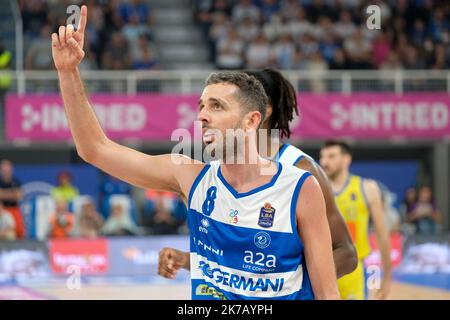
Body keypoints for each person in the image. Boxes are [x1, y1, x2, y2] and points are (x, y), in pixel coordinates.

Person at [51, 6, 339, 299]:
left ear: (252, 120)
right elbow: (95, 150)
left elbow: (328, 293)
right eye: (201, 106)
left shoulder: (300, 187)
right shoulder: (191, 177)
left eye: (217, 106)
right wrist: (68, 72)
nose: (202, 115)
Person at [160, 69, 357, 280]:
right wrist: (186, 259)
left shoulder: (301, 169)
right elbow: (237, 262)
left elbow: (346, 252)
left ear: (263, 111)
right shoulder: (225, 166)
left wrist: (291, 287)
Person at [319, 140, 392, 300]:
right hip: (323, 270)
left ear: (346, 159)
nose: (324, 162)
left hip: (356, 269)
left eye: (331, 156)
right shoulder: (315, 188)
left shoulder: (367, 188)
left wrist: (387, 278)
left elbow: (382, 235)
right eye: (322, 157)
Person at [0, 159, 25, 239]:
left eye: (8, 167)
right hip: (2, 209)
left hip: (14, 209)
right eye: (4, 168)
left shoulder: (16, 181)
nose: (6, 170)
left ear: (11, 169)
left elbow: (19, 195)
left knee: (19, 231)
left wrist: (4, 193)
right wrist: (12, 193)